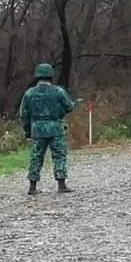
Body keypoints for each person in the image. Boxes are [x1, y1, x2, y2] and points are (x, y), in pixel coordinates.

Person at [19, 63, 76, 195]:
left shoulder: (29, 93)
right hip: (56, 127)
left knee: (36, 156)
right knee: (59, 155)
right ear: (51, 75)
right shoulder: (58, 91)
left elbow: (24, 114)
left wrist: (27, 131)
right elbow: (69, 107)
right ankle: (61, 184)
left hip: (37, 129)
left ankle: (32, 186)